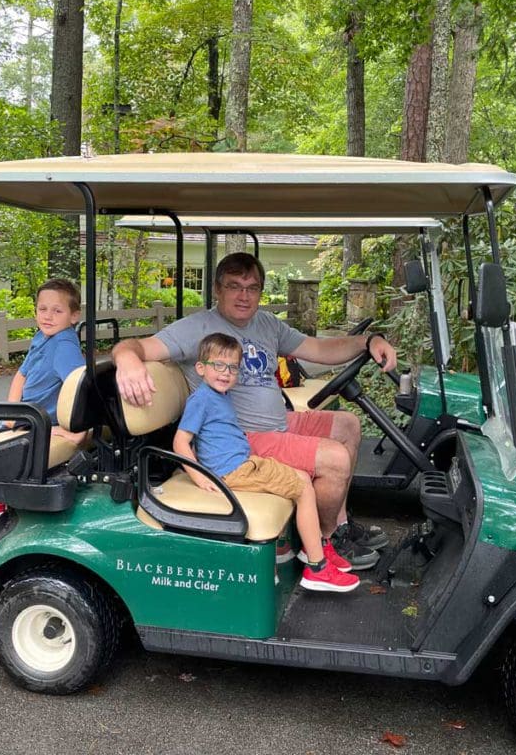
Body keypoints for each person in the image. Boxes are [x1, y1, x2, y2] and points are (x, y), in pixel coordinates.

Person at [113, 253, 396, 569]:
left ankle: (340, 524)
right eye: (234, 286)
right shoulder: (197, 328)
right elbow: (134, 346)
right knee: (335, 458)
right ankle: (326, 542)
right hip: (244, 438)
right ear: (218, 290)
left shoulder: (267, 324)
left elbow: (319, 350)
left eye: (252, 287)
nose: (244, 295)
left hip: (278, 424)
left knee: (347, 425)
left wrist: (368, 342)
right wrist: (127, 361)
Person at [173, 333, 359, 592]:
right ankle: (317, 567)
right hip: (232, 470)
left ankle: (282, 551)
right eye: (218, 366)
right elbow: (181, 441)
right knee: (303, 488)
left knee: (301, 477)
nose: (226, 373)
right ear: (201, 368)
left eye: (233, 368)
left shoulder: (220, 395)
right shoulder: (201, 399)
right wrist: (199, 477)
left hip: (242, 462)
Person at [0, 278, 87, 521]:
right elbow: (22, 374)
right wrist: (11, 411)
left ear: (74, 316)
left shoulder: (63, 345)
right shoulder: (43, 337)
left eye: (57, 310)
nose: (48, 316)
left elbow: (80, 385)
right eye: (42, 309)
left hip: (36, 419)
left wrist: (79, 432)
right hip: (24, 413)